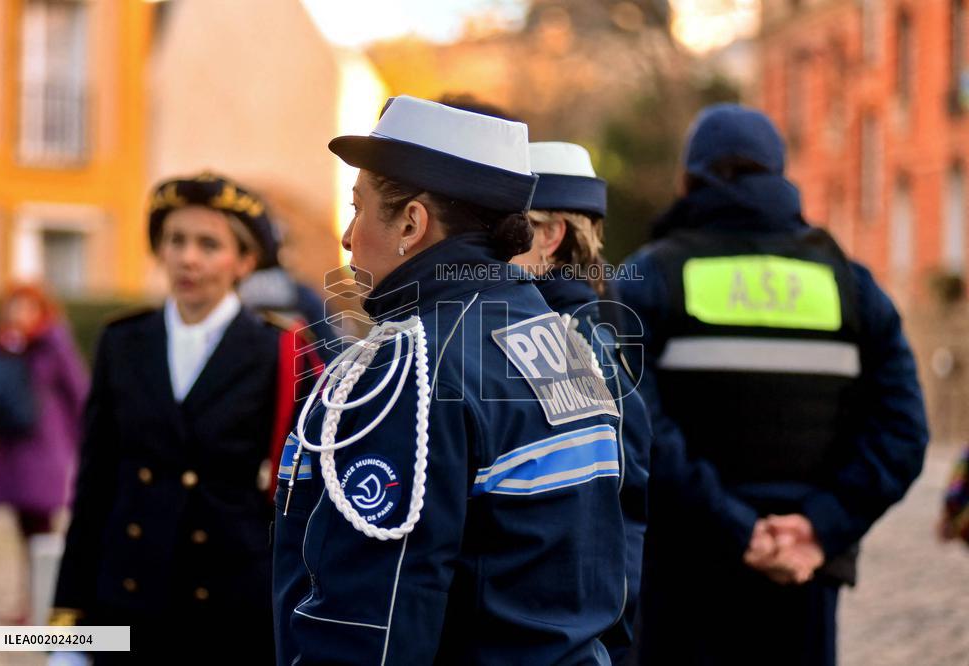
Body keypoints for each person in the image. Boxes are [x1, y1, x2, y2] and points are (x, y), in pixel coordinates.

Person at [273, 95, 627, 665]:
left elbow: (373, 621)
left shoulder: (410, 366)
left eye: (358, 208)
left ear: (412, 223)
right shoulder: (560, 342)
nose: (346, 235)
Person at [616, 104, 930, 665]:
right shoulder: (853, 286)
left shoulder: (647, 279)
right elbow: (904, 432)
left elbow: (634, 425)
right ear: (781, 176)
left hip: (684, 582)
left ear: (688, 181)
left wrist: (736, 529)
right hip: (802, 580)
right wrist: (817, 529)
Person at [50, 173, 296, 664]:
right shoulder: (123, 341)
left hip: (228, 605)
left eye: (209, 244)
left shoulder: (278, 350)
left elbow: (290, 500)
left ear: (244, 261)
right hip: (126, 594)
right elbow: (95, 484)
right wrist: (69, 623)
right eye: (175, 240)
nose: (188, 258)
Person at [509, 141, 652, 664]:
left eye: (508, 223)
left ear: (550, 235)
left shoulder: (564, 339)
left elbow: (616, 494)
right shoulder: (583, 324)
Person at [0, 284, 88, 624]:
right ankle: (32, 604)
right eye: (13, 307)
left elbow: (80, 394)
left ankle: (52, 610)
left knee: (45, 537)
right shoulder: (7, 347)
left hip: (46, 456)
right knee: (26, 535)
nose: (18, 314)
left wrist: (84, 447)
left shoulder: (53, 346)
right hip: (14, 455)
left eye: (26, 307)